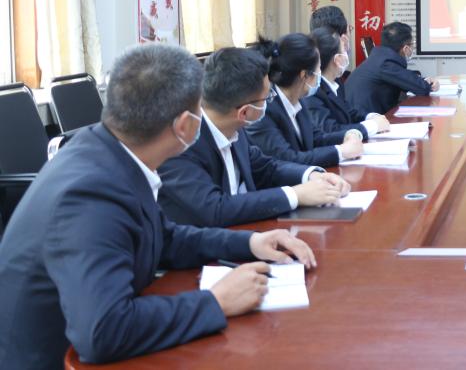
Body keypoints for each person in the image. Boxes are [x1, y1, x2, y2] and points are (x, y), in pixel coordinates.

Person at [0, 44, 316, 369]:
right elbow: (103, 331)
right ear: (185, 125)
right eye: (201, 108)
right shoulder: (90, 194)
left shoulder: (108, 150)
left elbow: (164, 237)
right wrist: (216, 301)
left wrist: (250, 243)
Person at [158, 47, 352, 227]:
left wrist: (312, 176)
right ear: (244, 112)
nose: (270, 102)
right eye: (267, 98)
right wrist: (294, 195)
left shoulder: (233, 127)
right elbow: (215, 208)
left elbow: (266, 168)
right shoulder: (181, 144)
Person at [247, 33, 364, 167]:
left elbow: (316, 138)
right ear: (304, 75)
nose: (320, 73)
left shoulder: (298, 99)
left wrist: (348, 135)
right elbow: (288, 159)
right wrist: (340, 152)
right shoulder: (264, 109)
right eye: (318, 68)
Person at [306, 27, 391, 139]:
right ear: (337, 60)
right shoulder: (312, 91)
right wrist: (372, 126)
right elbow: (330, 130)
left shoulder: (336, 82)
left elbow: (348, 110)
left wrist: (371, 117)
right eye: (344, 50)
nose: (347, 53)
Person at [344, 21, 439, 114]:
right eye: (412, 45)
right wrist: (430, 84)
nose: (412, 48)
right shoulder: (385, 63)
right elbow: (422, 88)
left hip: (365, 114)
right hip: (361, 119)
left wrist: (424, 80)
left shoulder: (380, 57)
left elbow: (405, 78)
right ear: (405, 49)